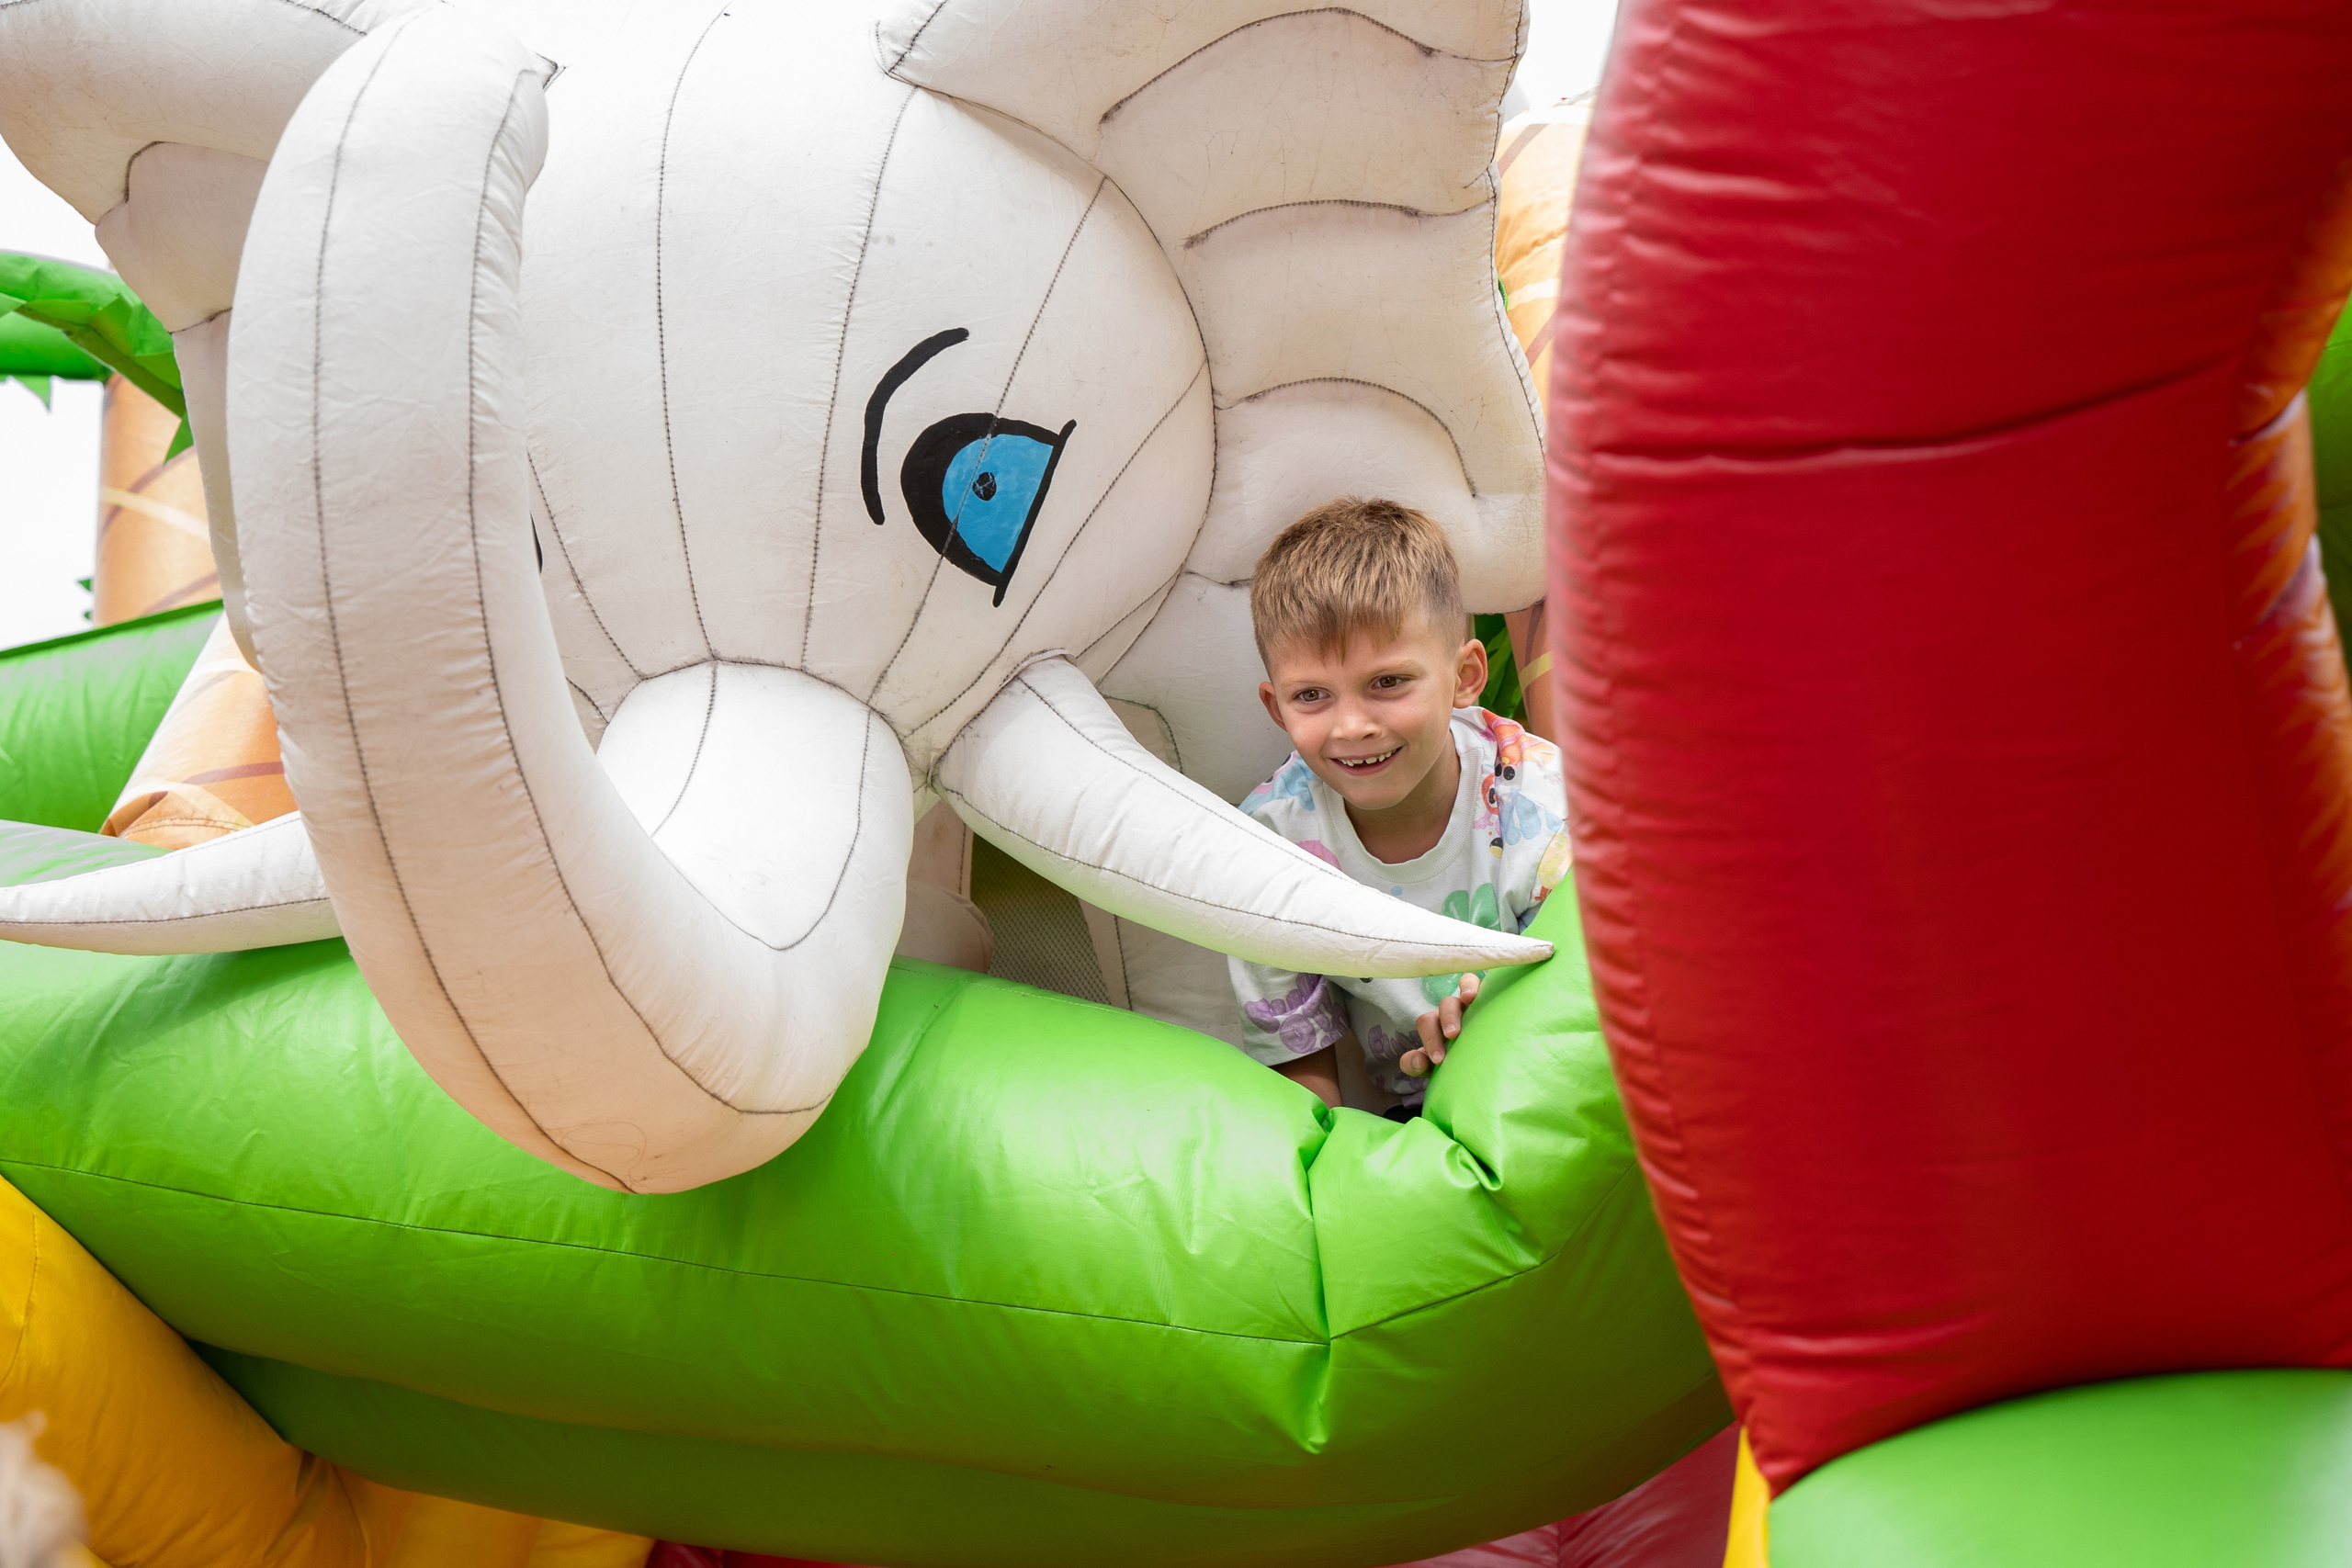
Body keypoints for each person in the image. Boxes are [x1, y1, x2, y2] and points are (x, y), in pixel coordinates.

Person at [1232, 497, 1571, 1115]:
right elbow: (1297, 1062)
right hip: (1412, 1121)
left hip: (1552, 1076)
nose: (1352, 726)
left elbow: (1588, 1005)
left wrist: (1490, 1027)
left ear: (1465, 676)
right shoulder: (1272, 848)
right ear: (1276, 708)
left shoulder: (1543, 808)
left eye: (1387, 682)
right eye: (1312, 696)